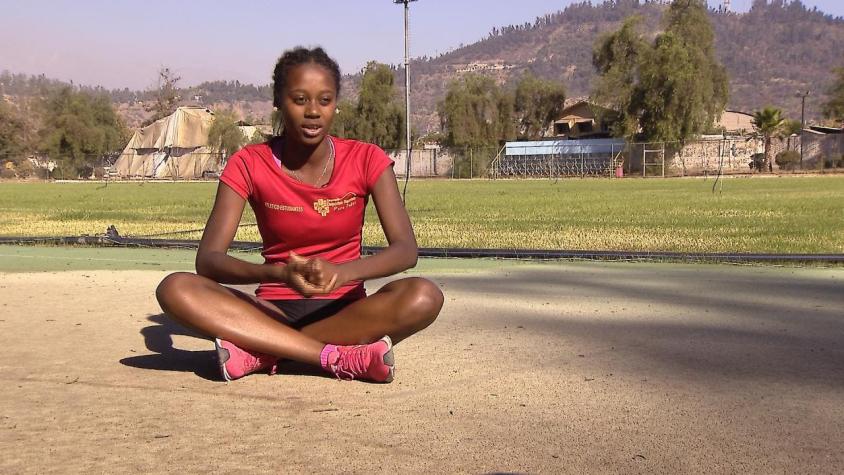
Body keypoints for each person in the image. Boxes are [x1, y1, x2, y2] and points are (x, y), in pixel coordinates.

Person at [155, 46, 443, 383]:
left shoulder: (368, 159)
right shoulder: (248, 163)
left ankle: (263, 351)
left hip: (346, 310)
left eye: (325, 100)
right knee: (175, 289)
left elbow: (406, 250)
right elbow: (209, 261)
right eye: (299, 99)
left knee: (424, 296)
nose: (313, 112)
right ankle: (332, 357)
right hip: (270, 311)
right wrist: (278, 274)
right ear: (278, 101)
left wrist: (344, 272)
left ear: (336, 103)